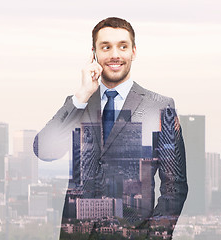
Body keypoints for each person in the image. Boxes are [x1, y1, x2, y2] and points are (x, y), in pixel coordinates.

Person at [34, 17, 188, 239]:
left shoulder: (159, 107)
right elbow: (45, 150)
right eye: (106, 47)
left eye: (122, 46)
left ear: (133, 52)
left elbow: (175, 188)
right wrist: (81, 96)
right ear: (94, 53)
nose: (115, 55)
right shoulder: (79, 102)